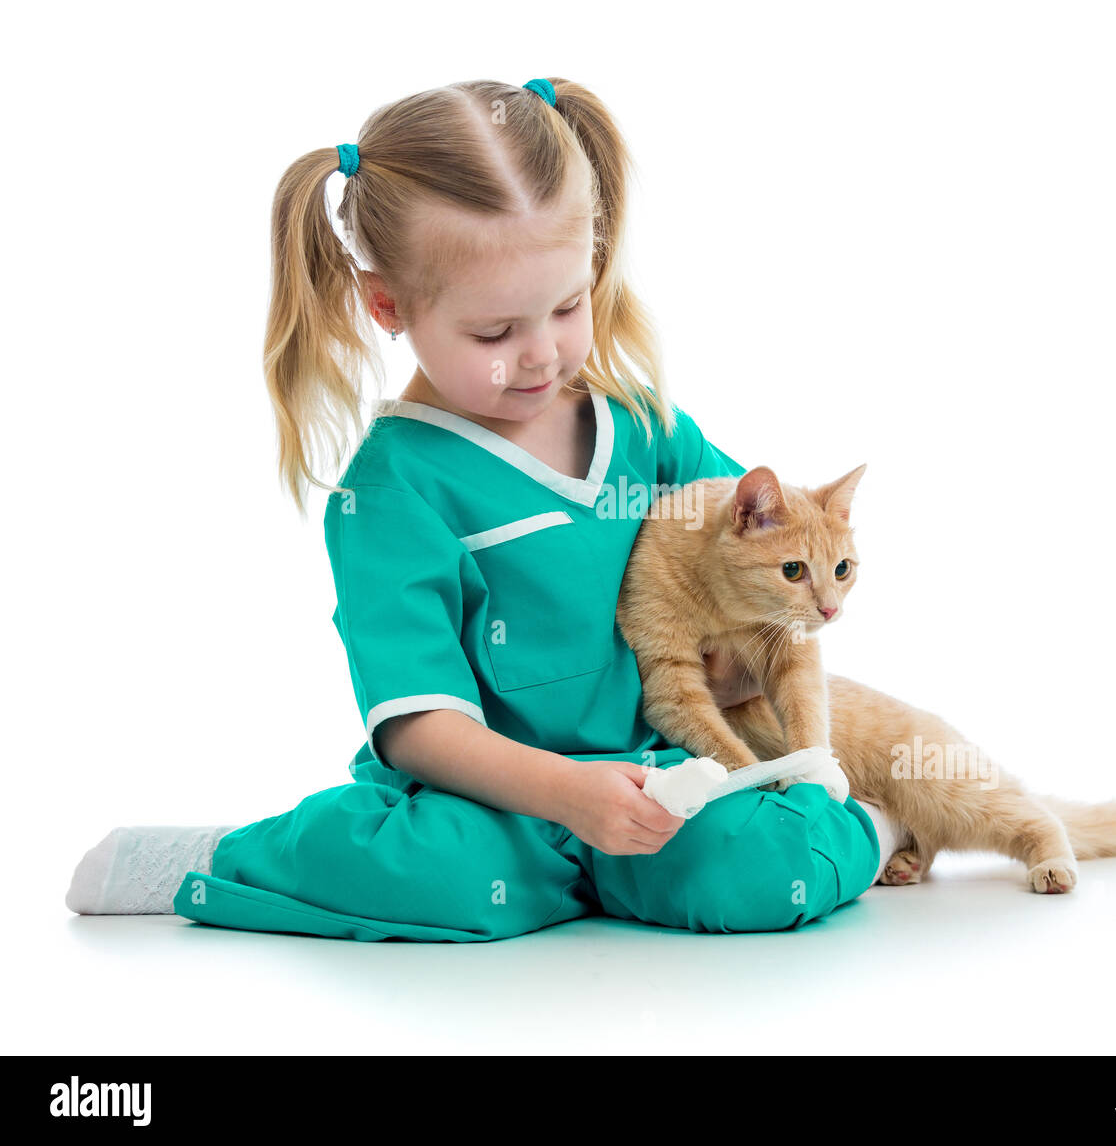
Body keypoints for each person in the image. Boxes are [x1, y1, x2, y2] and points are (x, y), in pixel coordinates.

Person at [66, 77, 897, 941]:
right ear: (389, 304)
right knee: (445, 868)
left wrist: (734, 696)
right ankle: (224, 860)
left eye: (569, 305)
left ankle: (882, 822)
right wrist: (569, 795)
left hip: (665, 778)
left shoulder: (644, 427)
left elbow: (754, 564)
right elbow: (419, 727)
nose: (542, 355)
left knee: (758, 864)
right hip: (492, 802)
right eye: (495, 333)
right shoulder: (391, 491)